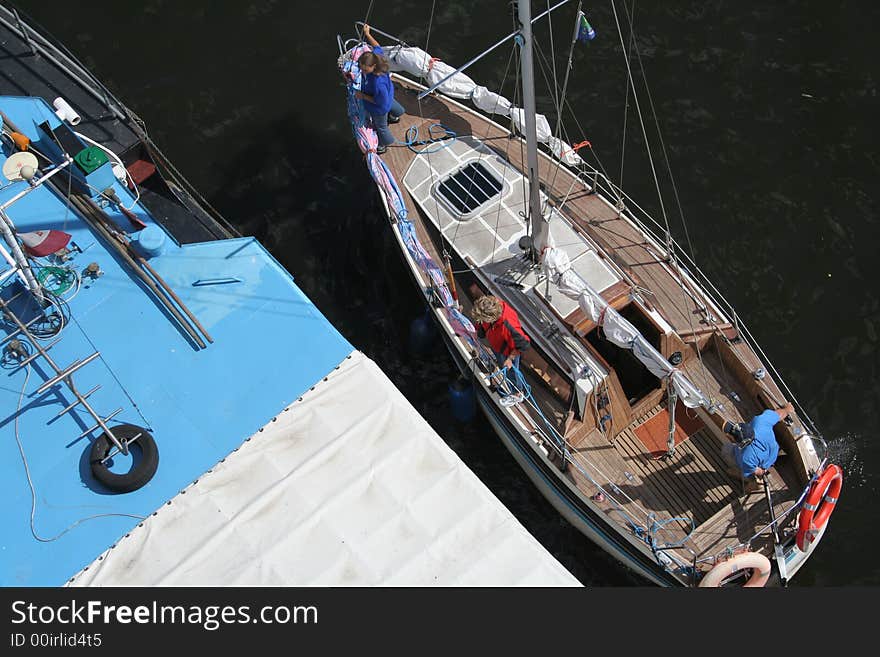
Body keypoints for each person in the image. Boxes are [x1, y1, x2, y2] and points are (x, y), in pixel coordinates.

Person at [355, 24, 405, 155]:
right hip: (388, 95)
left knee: (381, 127)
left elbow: (380, 103)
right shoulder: (377, 57)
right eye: (360, 67)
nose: (362, 70)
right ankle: (396, 115)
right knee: (391, 103)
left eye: (365, 69)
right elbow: (377, 46)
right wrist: (368, 34)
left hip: (379, 107)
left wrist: (362, 96)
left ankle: (384, 145)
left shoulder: (377, 83)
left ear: (373, 66)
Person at [721, 402, 795, 487]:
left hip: (761, 465)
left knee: (726, 449)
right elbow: (778, 415)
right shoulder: (760, 421)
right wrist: (787, 409)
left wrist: (762, 471)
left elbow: (758, 471)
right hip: (772, 454)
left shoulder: (745, 458)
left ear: (739, 442)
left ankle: (746, 479)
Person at [471, 295, 530, 371]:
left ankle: (512, 381)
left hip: (507, 353)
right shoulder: (490, 305)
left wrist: (510, 359)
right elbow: (480, 319)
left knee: (511, 375)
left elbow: (524, 344)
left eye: (482, 320)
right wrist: (476, 329)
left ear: (491, 318)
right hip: (495, 343)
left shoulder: (509, 325)